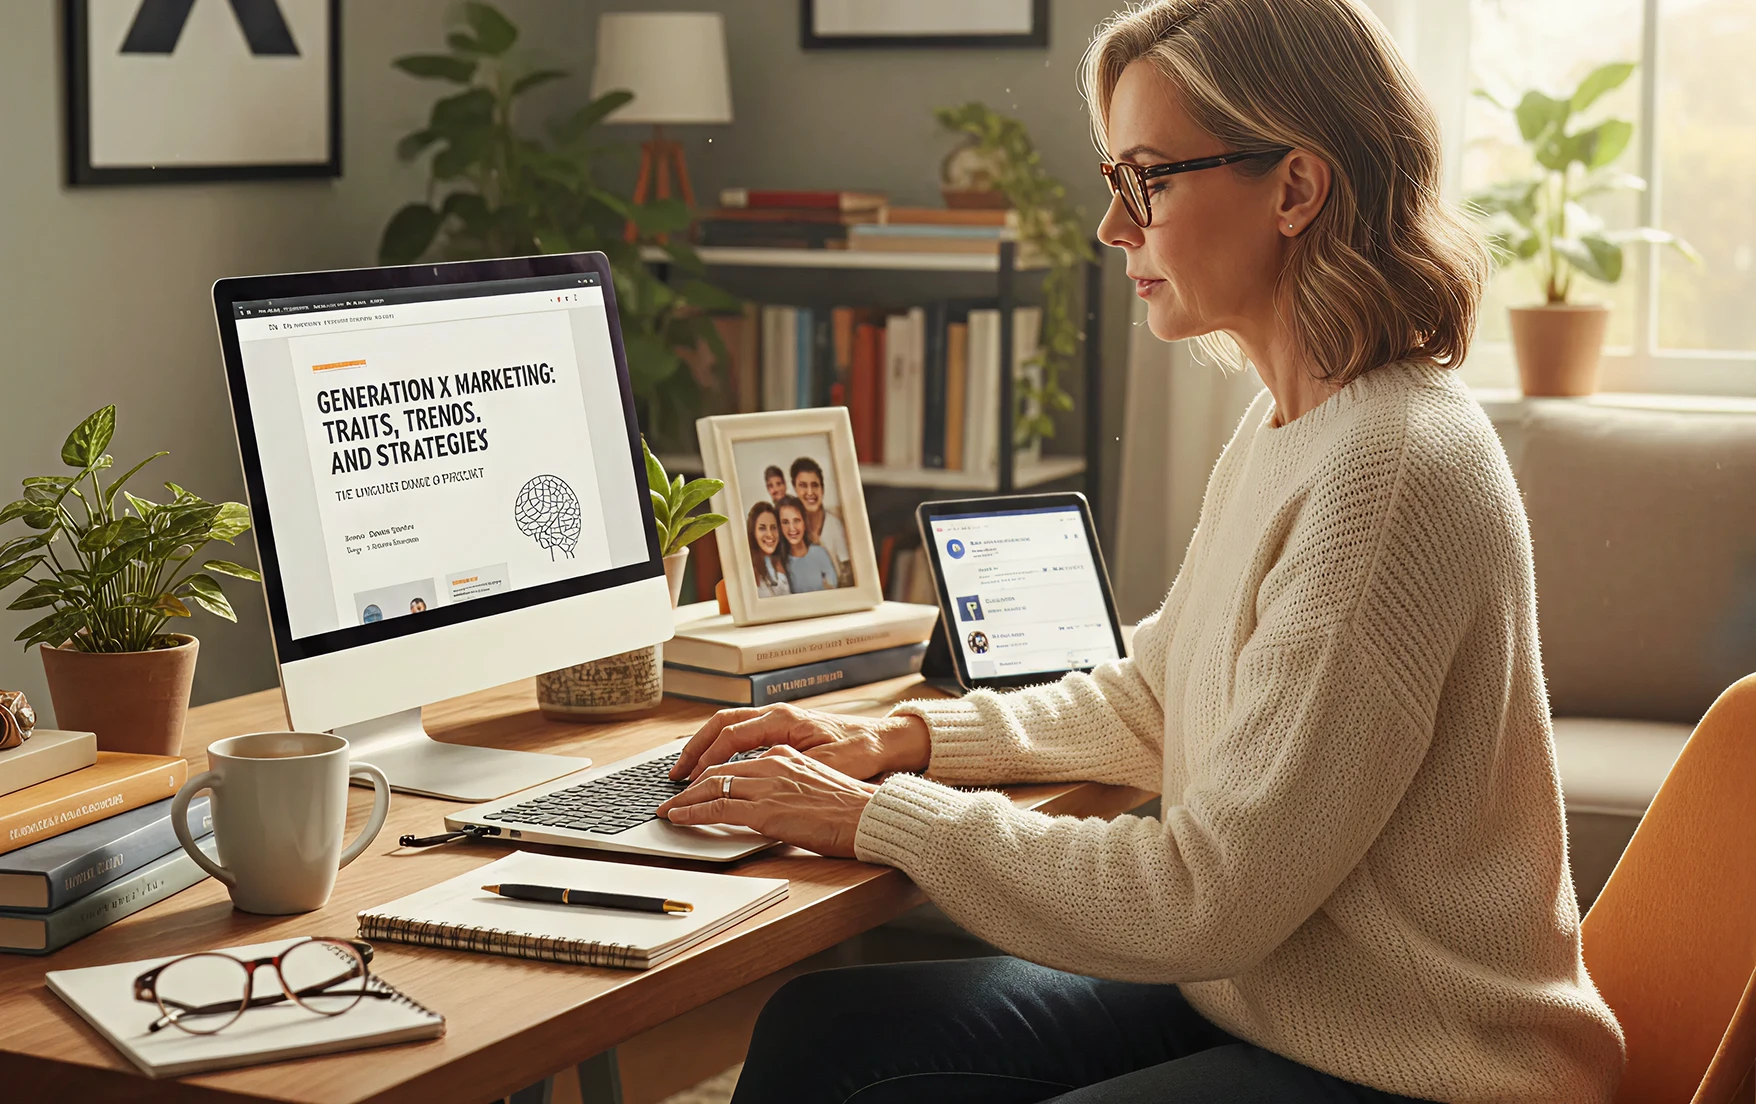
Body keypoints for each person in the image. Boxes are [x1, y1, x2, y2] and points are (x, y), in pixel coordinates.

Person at [654, 1, 1625, 1102]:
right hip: (1263, 993)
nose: (1114, 227)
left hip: (1425, 1066)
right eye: (1118, 179)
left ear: (1296, 191)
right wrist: (900, 739)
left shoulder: (1390, 470)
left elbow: (1204, 897)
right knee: (829, 1033)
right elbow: (1156, 694)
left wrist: (876, 816)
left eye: (1148, 180)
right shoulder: (1292, 423)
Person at [789, 457, 851, 587]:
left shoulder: (834, 525)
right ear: (795, 489)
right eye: (803, 486)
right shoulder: (791, 527)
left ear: (822, 489)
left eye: (815, 485)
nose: (810, 492)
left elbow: (848, 573)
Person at [775, 495, 838, 594]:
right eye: (785, 522)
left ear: (804, 523)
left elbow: (833, 588)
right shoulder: (780, 563)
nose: (792, 528)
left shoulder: (820, 553)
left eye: (796, 520)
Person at [745, 500, 791, 599]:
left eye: (773, 528)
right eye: (762, 528)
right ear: (753, 532)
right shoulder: (748, 568)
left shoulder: (783, 560)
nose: (770, 534)